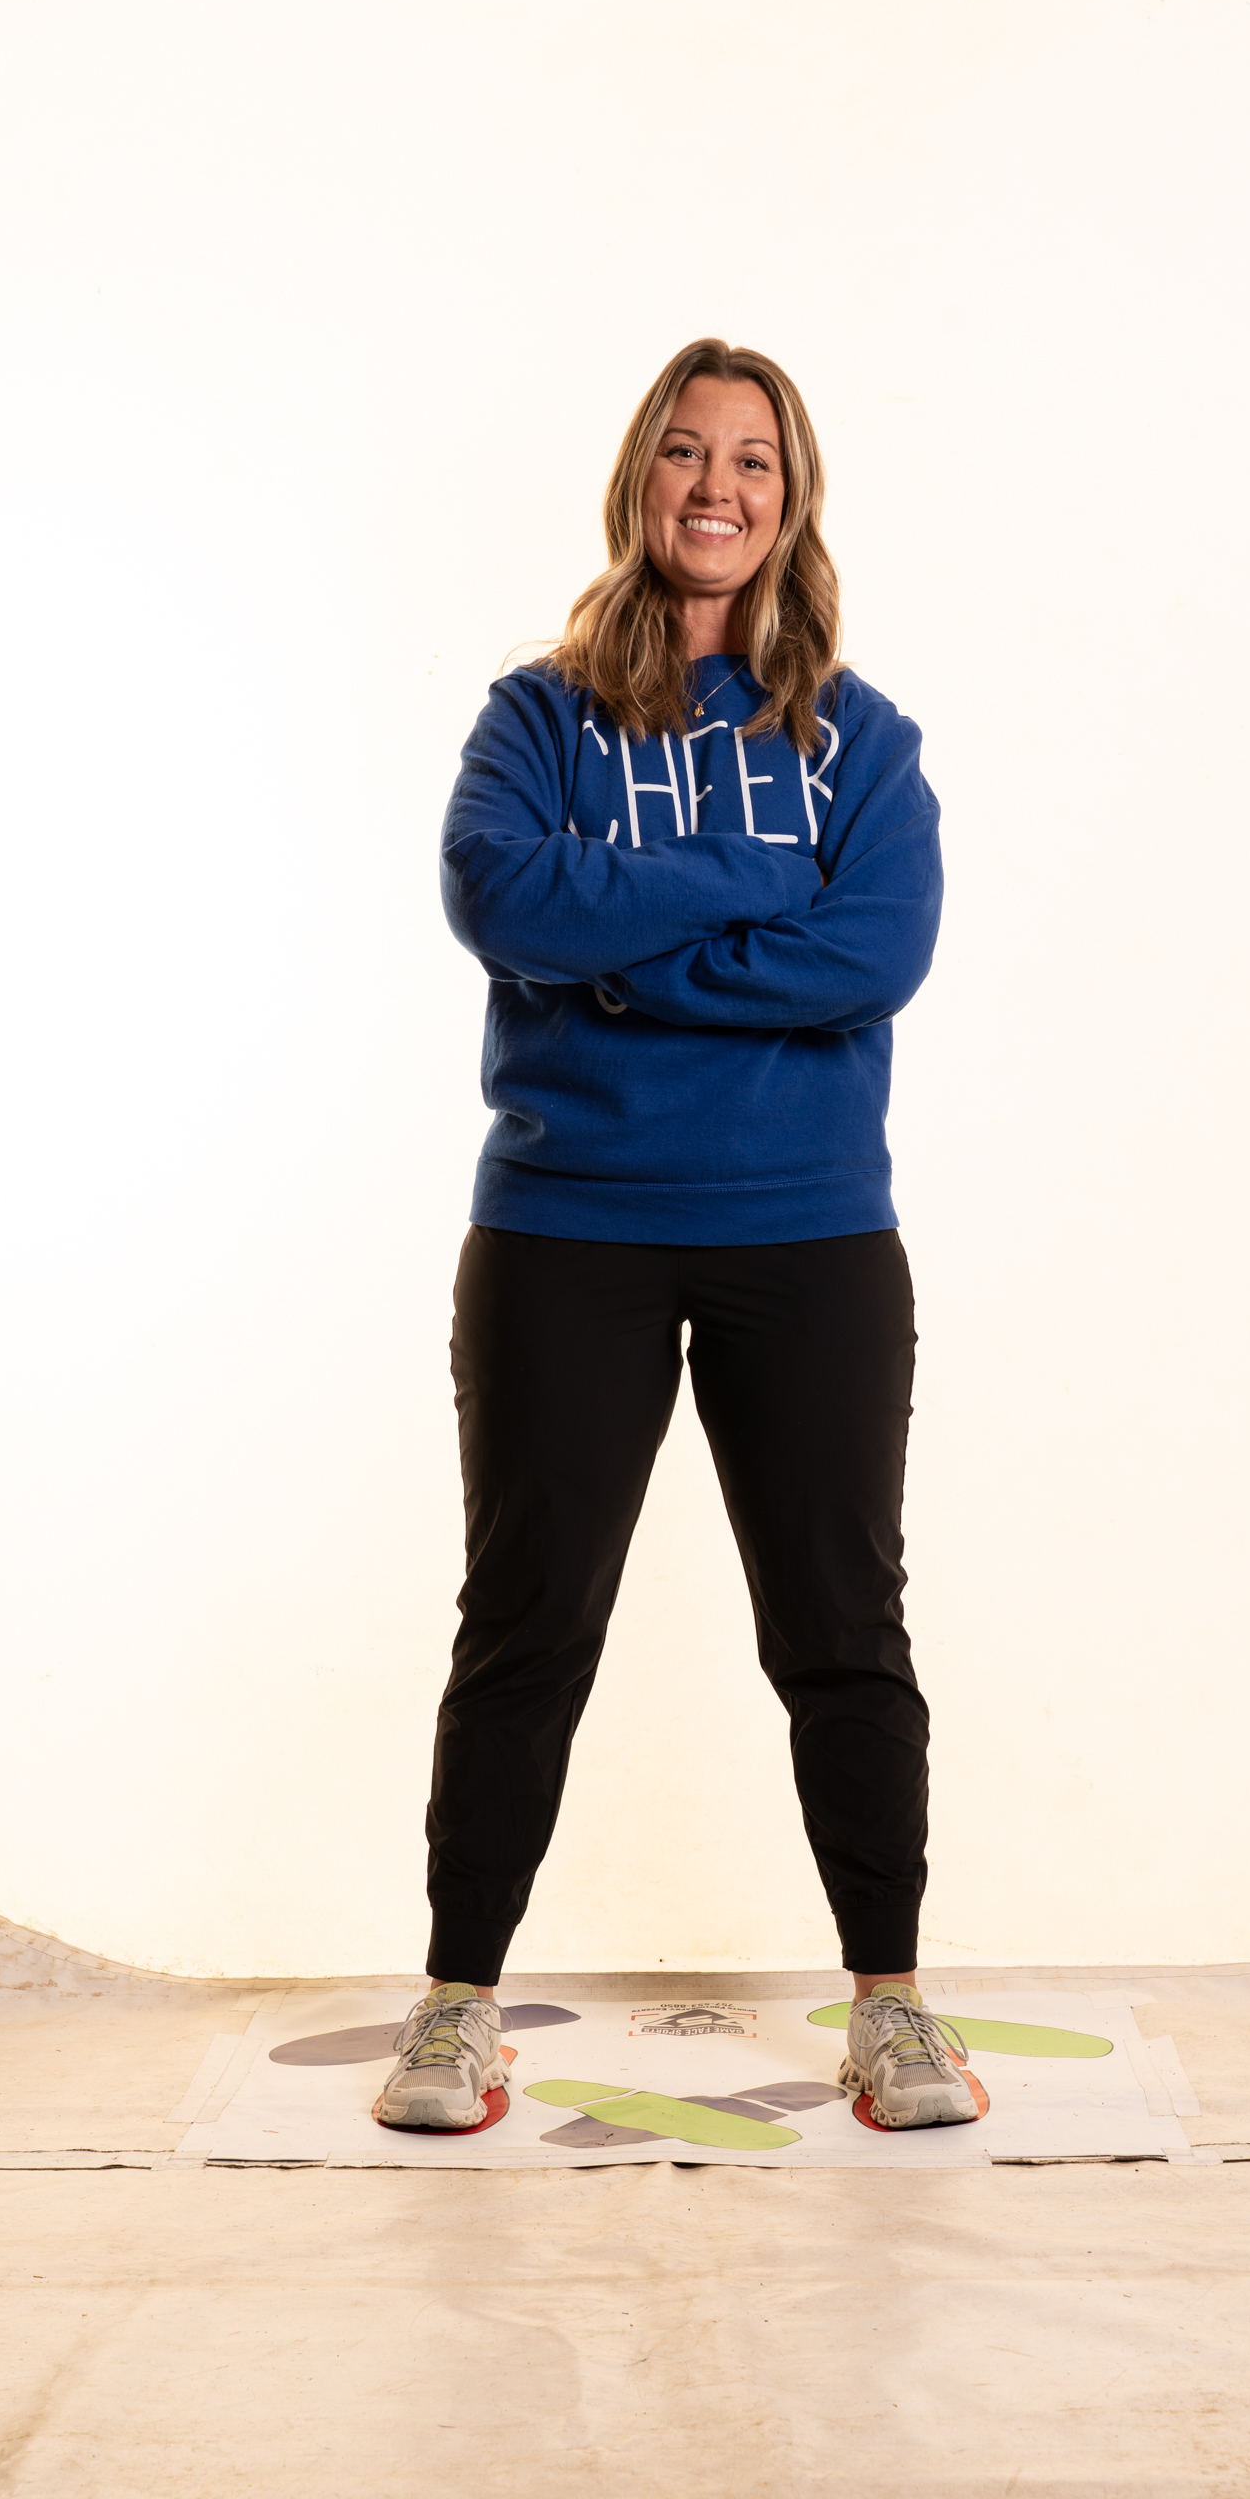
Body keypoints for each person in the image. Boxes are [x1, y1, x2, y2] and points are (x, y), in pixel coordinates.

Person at [377, 337, 972, 2136]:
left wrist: (619, 964)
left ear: (791, 504)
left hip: (809, 1230)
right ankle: (456, 2005)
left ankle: (890, 2004)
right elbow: (498, 892)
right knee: (525, 1622)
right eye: (687, 454)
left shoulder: (862, 738)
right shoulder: (537, 716)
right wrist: (749, 884)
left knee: (841, 1624)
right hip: (565, 1227)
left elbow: (876, 948)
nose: (717, 488)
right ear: (640, 476)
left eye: (753, 462)